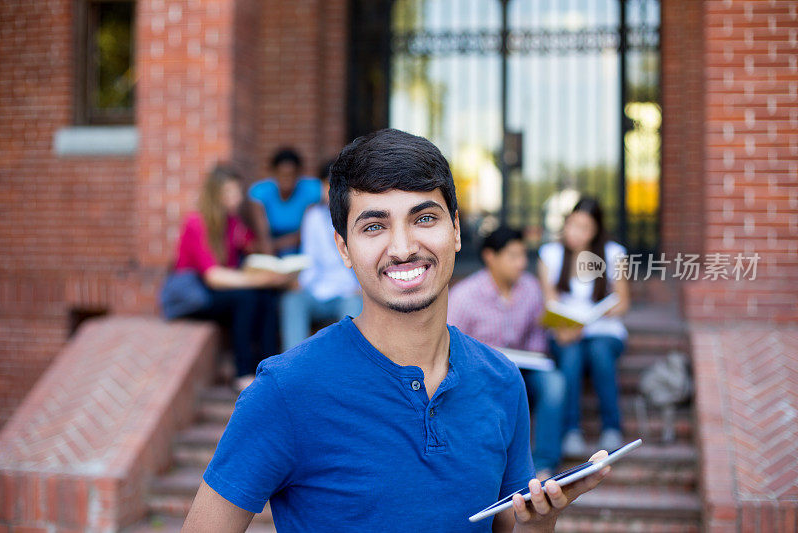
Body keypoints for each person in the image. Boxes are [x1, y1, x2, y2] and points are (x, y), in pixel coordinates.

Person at [182, 129, 611, 533]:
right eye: (374, 226)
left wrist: (540, 525)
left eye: (424, 218)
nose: (403, 247)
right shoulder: (285, 391)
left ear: (457, 230)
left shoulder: (502, 381)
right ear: (343, 249)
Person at [448, 226, 566, 478]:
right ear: (491, 256)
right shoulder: (464, 296)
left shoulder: (531, 289)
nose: (522, 263)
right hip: (483, 373)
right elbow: (451, 345)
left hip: (524, 369)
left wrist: (536, 355)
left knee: (554, 383)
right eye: (513, 256)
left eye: (523, 256)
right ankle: (495, 470)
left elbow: (537, 335)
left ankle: (543, 466)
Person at [173, 163, 294, 391]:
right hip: (193, 294)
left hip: (220, 291)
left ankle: (269, 367)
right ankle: (243, 373)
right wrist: (260, 279)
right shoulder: (197, 223)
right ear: (215, 195)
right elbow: (213, 276)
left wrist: (272, 269)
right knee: (247, 297)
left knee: (266, 296)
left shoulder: (233, 222)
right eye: (231, 192)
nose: (237, 198)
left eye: (238, 191)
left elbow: (252, 248)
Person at [537, 197, 631, 457]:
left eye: (584, 227)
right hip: (566, 331)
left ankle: (612, 427)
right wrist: (564, 326)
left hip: (604, 330)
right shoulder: (550, 254)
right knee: (571, 355)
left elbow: (623, 302)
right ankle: (571, 430)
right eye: (572, 225)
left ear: (596, 231)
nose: (576, 233)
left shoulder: (613, 253)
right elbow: (550, 302)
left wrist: (598, 313)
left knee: (600, 353)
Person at [280, 161, 363, 350]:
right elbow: (309, 257)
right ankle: (294, 367)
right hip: (315, 288)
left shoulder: (356, 218)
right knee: (292, 301)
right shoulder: (312, 217)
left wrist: (361, 286)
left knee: (353, 307)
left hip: (347, 291)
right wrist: (300, 282)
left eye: (335, 186)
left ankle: (348, 370)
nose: (329, 191)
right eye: (326, 185)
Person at [248, 148, 321, 256]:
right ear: (274, 173)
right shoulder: (260, 192)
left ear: (299, 174)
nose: (286, 179)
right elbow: (263, 234)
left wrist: (273, 245)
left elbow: (306, 233)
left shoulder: (311, 190)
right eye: (281, 175)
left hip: (301, 249)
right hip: (271, 249)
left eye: (291, 175)